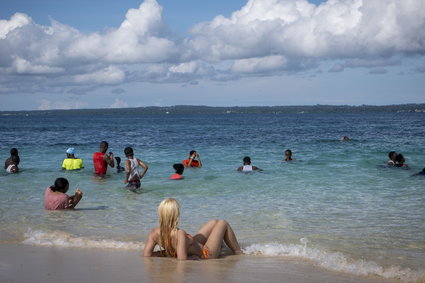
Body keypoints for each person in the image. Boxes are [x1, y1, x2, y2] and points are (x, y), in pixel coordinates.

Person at [143, 198, 242, 260]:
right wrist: (191, 258)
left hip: (193, 245)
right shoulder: (179, 233)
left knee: (214, 222)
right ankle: (238, 252)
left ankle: (221, 245)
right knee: (223, 223)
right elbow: (182, 259)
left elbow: (147, 255)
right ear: (176, 215)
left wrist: (165, 253)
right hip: (206, 253)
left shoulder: (154, 233)